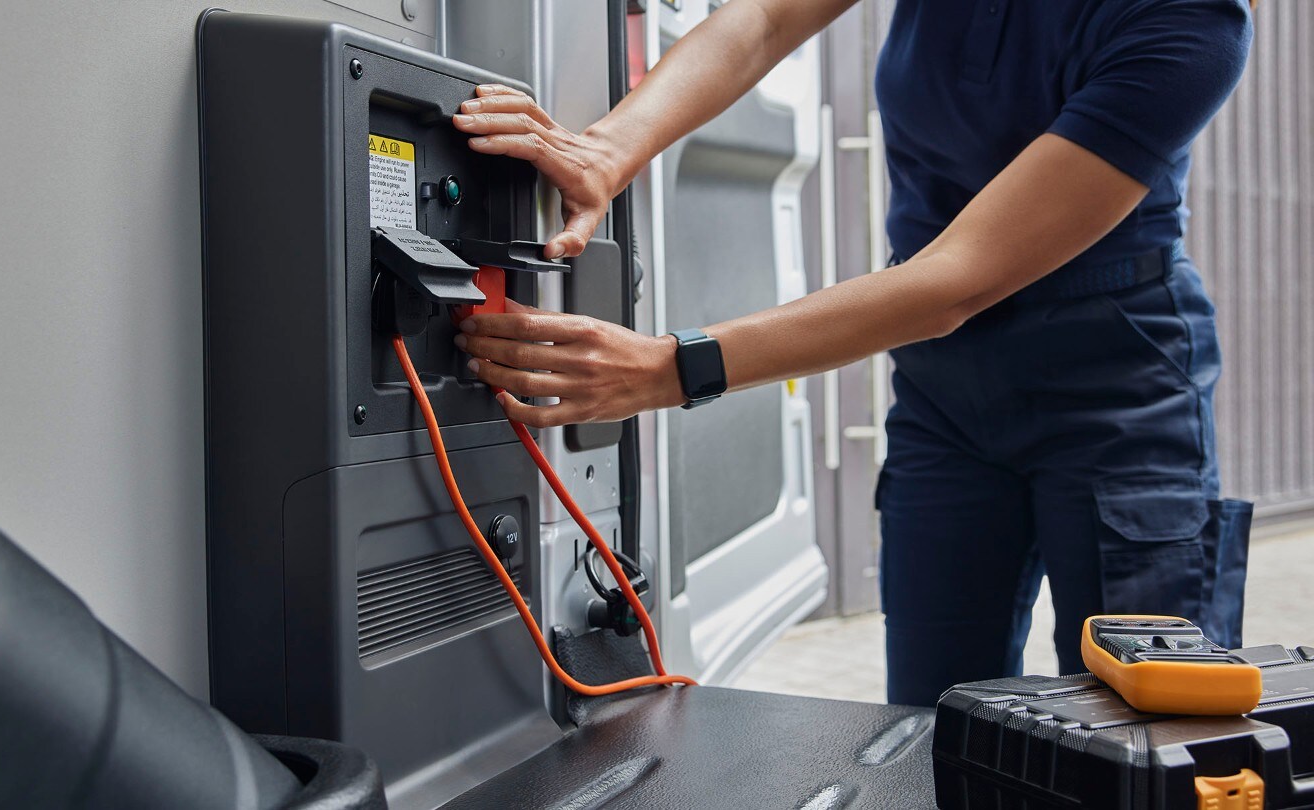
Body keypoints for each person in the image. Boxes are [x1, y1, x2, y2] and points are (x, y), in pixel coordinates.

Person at [449, 0, 1255, 707]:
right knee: (937, 726)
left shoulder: (1192, 21)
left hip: (1116, 389)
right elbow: (765, 18)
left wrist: (670, 367)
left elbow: (954, 282)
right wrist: (609, 147)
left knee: (1149, 725)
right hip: (947, 397)